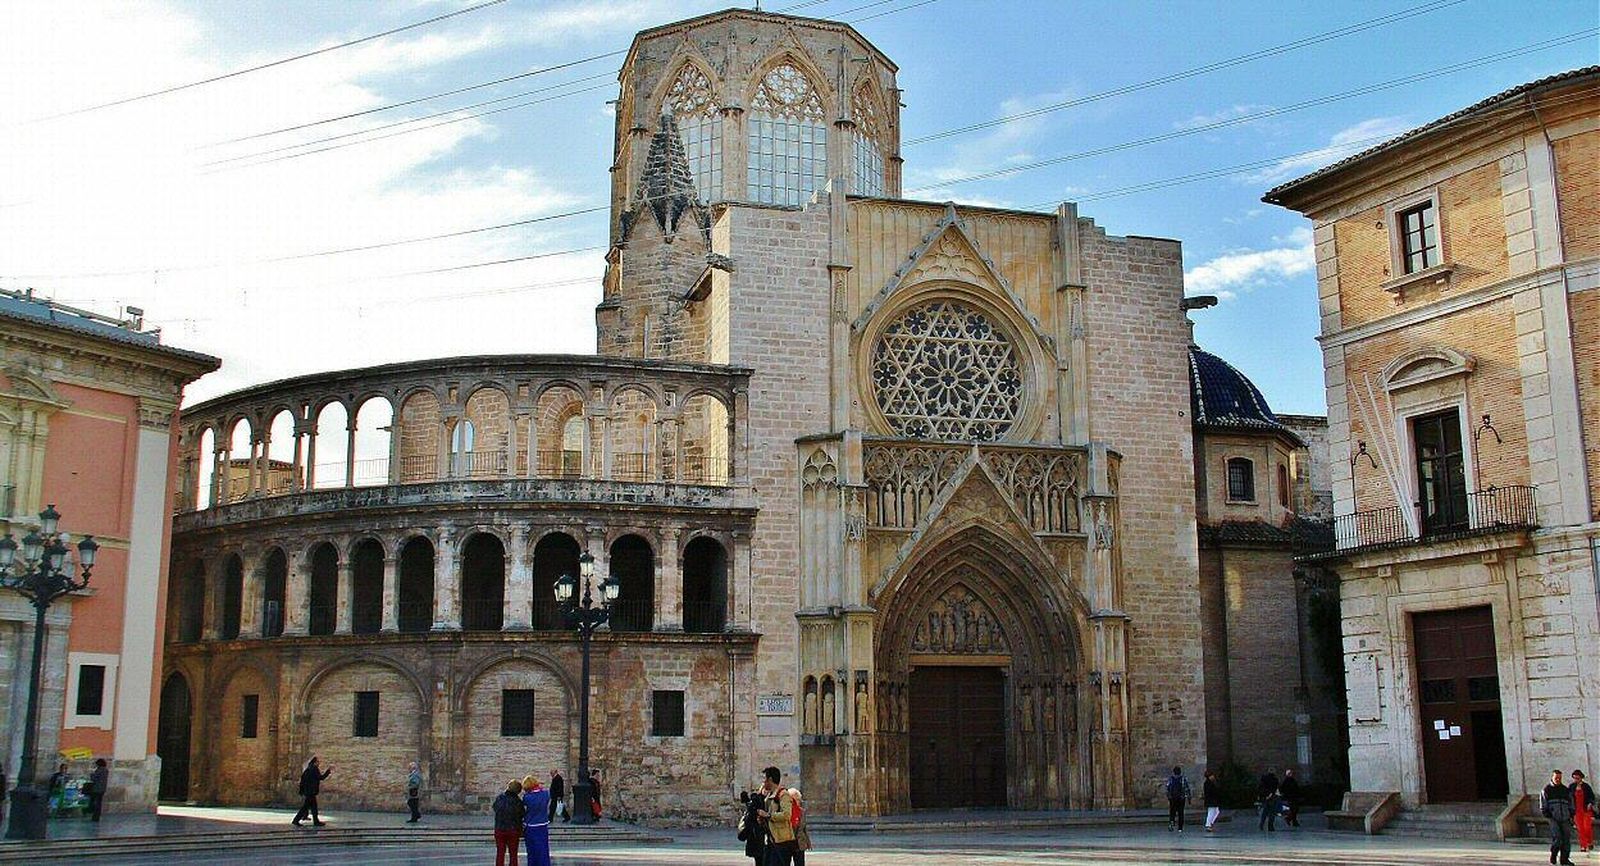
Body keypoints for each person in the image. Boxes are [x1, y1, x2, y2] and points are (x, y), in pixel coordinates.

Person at [755, 767, 796, 866]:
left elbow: (787, 815)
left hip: (782, 841)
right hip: (771, 839)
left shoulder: (783, 795)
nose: (763, 782)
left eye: (764, 779)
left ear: (770, 780)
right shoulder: (769, 795)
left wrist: (768, 815)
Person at [1544, 769, 1576, 866]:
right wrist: (1548, 814)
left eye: (1559, 778)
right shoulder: (1546, 789)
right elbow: (1543, 804)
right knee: (1557, 838)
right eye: (1556, 778)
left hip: (1565, 817)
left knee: (1566, 839)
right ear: (1552, 777)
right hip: (1553, 817)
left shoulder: (1565, 790)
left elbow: (1571, 803)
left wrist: (1571, 814)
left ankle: (1565, 859)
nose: (1558, 779)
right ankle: (1554, 854)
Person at [520, 775, 552, 866]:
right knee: (543, 849)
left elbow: (525, 809)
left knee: (531, 851)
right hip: (542, 825)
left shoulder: (527, 797)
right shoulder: (546, 794)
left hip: (530, 825)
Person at [492, 779, 525, 866]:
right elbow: (522, 814)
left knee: (500, 853)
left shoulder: (499, 798)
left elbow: (495, 808)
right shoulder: (518, 802)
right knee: (513, 854)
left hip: (500, 829)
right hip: (513, 830)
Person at [292, 756, 332, 826]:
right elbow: (320, 778)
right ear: (315, 762)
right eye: (317, 762)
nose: (319, 763)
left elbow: (303, 780)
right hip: (311, 792)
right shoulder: (314, 769)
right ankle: (296, 820)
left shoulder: (308, 769)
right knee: (305, 807)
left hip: (309, 791)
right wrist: (328, 772)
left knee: (313, 807)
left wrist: (302, 790)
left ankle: (316, 821)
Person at [738, 790, 767, 866]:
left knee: (759, 860)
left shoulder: (750, 808)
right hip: (758, 839)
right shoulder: (756, 808)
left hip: (754, 840)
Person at [1572, 770, 1597, 854]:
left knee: (1587, 827)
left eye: (1577, 778)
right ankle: (1583, 845)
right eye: (1574, 778)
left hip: (1586, 810)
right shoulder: (1571, 787)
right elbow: (1569, 797)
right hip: (1576, 811)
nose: (1576, 780)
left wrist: (1590, 803)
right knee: (1580, 829)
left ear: (1581, 778)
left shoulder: (1586, 786)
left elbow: (1592, 797)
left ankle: (1589, 842)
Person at [788, 788, 813, 866]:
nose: (798, 801)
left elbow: (804, 828)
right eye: (796, 799)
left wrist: (808, 843)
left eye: (798, 799)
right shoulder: (786, 812)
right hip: (788, 842)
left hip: (799, 842)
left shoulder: (802, 811)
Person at [1164, 765, 1191, 832]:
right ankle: (1180, 828)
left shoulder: (1171, 779)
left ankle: (1172, 822)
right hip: (1181, 799)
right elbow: (1186, 789)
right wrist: (1188, 797)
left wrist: (1169, 796)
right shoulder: (1183, 779)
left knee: (1172, 812)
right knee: (1180, 812)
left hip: (1172, 798)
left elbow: (1167, 788)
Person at [1202, 768, 1222, 832]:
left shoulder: (1210, 782)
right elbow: (1211, 791)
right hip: (1211, 800)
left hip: (1212, 800)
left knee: (1216, 811)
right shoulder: (1208, 783)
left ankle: (1210, 823)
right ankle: (1208, 824)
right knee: (1211, 812)